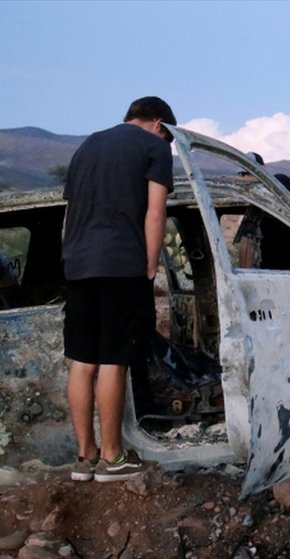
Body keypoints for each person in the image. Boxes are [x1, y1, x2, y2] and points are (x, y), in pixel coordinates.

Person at [62, 96, 176, 482]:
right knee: (114, 359)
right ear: (159, 123)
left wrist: (72, 257)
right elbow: (155, 211)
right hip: (121, 264)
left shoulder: (87, 145)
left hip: (78, 264)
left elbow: (68, 213)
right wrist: (149, 263)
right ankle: (112, 458)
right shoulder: (154, 147)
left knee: (83, 361)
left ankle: (85, 457)